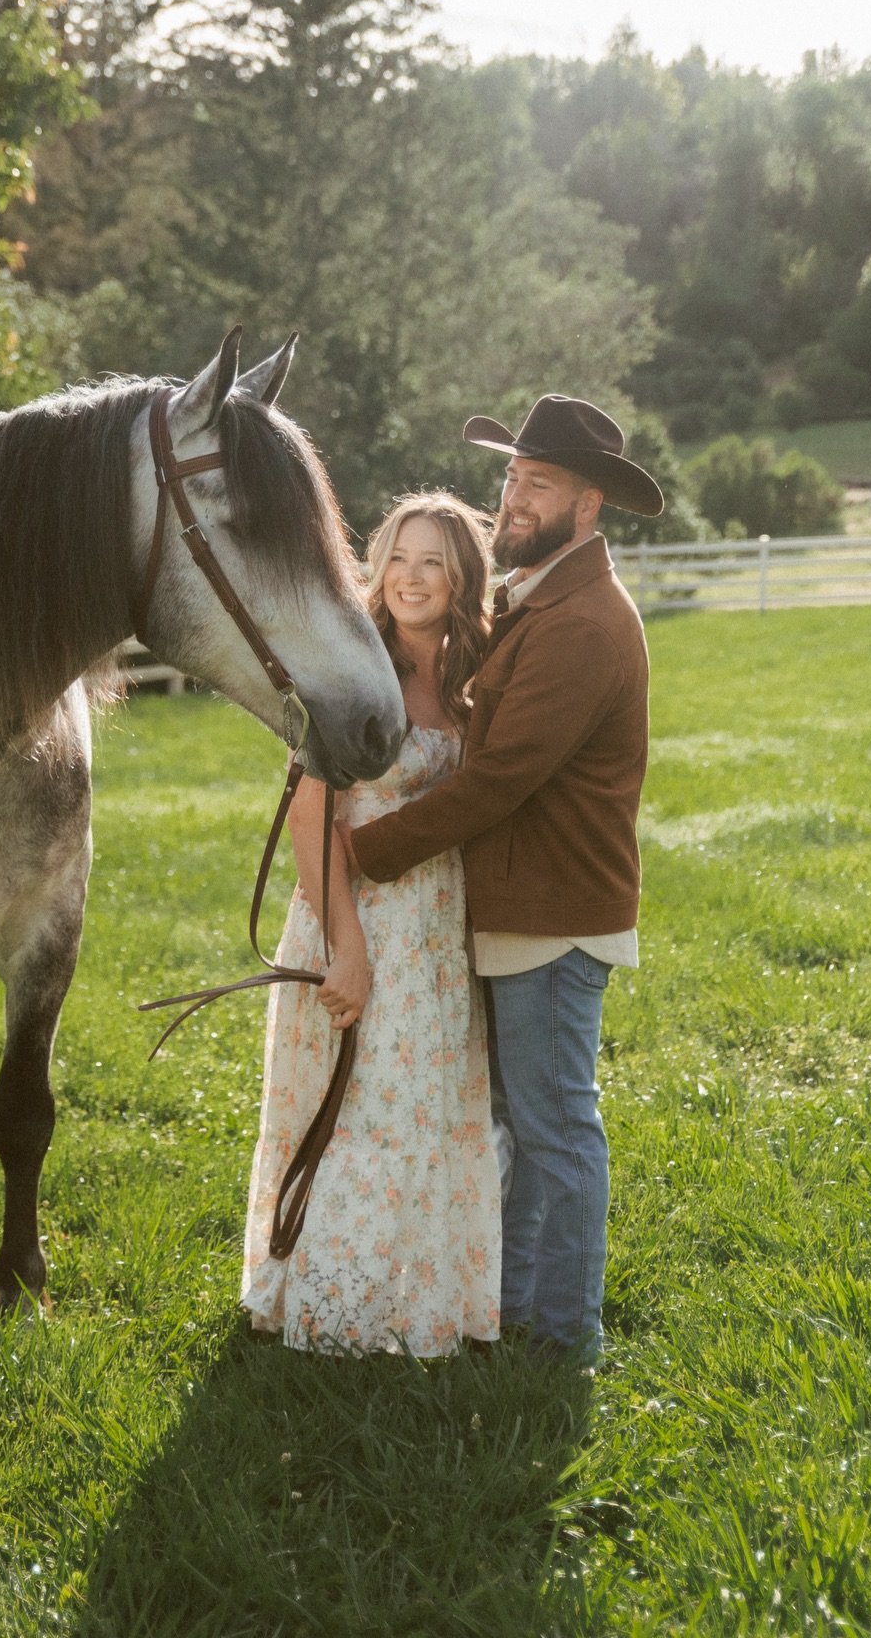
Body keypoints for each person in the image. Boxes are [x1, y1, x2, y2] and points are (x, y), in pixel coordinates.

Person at [340, 397, 663, 1365]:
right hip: (520, 908)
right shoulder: (545, 599)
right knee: (523, 1129)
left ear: (590, 504)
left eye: (541, 485)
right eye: (512, 479)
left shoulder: (583, 624)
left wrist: (359, 850)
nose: (515, 500)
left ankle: (563, 1337)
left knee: (557, 1130)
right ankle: (515, 1313)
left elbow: (499, 778)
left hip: (552, 915)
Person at [241, 492, 501, 1355]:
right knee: (360, 1113)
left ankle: (416, 1304)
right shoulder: (351, 674)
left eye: (433, 561)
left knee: (425, 1112)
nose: (411, 578)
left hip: (437, 929)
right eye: (398, 557)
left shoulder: (472, 677)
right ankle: (334, 1310)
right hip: (353, 917)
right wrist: (346, 951)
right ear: (375, 566)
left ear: (460, 576)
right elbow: (314, 821)